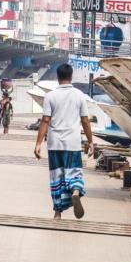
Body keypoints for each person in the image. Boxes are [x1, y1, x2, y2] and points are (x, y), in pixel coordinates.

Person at [34, 64, 95, 219]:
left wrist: (38, 144)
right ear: (71, 77)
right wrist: (90, 141)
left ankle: (57, 213)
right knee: (74, 173)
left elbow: (45, 120)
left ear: (57, 77)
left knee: (57, 177)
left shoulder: (50, 96)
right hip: (72, 143)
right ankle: (75, 190)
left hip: (54, 143)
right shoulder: (79, 95)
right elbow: (85, 121)